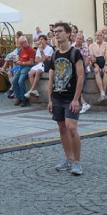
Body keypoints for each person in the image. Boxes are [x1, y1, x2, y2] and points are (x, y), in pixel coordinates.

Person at [47, 22, 85, 176]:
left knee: (71, 127)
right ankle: (68, 158)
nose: (57, 34)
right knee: (62, 128)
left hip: (70, 97)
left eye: (60, 31)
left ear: (69, 34)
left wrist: (77, 99)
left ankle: (77, 162)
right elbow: (51, 78)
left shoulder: (75, 53)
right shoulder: (54, 55)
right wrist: (50, 99)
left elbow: (81, 76)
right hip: (57, 96)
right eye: (55, 31)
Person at [26, 34, 53, 98]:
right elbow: (36, 59)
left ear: (46, 40)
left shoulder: (49, 49)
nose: (40, 41)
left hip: (46, 65)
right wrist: (43, 58)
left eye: (42, 39)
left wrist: (41, 53)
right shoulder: (39, 48)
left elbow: (44, 59)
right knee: (30, 73)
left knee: (38, 72)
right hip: (39, 64)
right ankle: (34, 90)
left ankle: (32, 89)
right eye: (39, 40)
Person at [12, 36, 36, 107]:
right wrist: (16, 60)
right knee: (14, 81)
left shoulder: (31, 50)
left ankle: (24, 99)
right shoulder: (21, 49)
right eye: (20, 43)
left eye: (21, 43)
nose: (20, 45)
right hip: (21, 67)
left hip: (27, 67)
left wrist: (21, 63)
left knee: (20, 81)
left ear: (25, 42)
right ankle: (18, 97)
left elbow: (32, 62)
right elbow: (19, 58)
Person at [89, 31, 107, 101]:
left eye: (99, 35)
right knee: (96, 71)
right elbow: (92, 57)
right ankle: (103, 93)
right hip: (95, 62)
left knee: (106, 71)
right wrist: (95, 65)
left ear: (103, 36)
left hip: (105, 62)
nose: (97, 37)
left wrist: (106, 65)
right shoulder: (91, 45)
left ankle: (102, 94)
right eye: (96, 35)